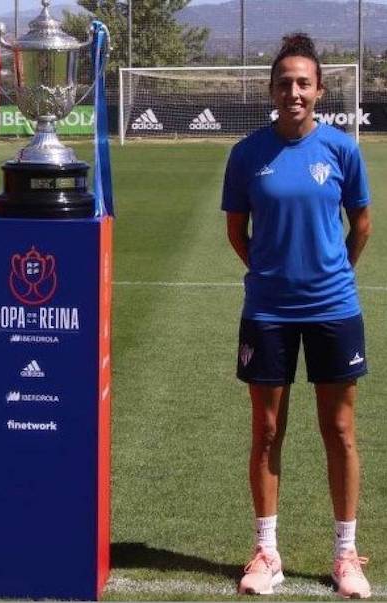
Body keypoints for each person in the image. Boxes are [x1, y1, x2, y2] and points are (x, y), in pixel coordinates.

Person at [222, 33, 372, 598]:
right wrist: (271, 271)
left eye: (303, 83)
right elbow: (237, 232)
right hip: (267, 310)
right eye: (284, 82)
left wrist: (335, 272)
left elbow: (361, 224)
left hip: (334, 307)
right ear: (271, 89)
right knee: (265, 431)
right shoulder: (246, 154)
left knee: (339, 430)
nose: (293, 92)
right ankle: (266, 552)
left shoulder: (341, 150)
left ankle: (345, 555)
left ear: (319, 90)